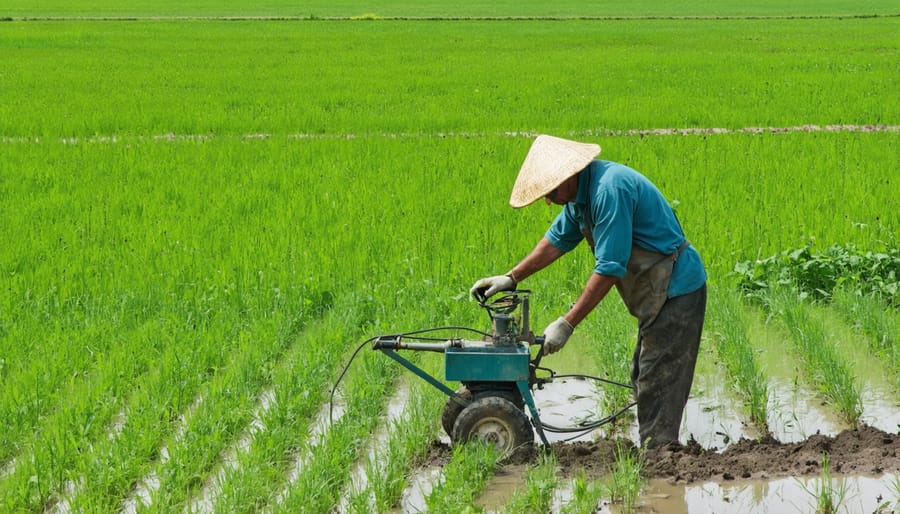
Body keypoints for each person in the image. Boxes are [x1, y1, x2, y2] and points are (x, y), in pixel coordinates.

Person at [470, 134, 707, 448]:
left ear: (569, 176)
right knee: (644, 375)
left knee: (658, 379)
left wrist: (567, 323)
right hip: (656, 291)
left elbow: (610, 267)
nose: (549, 200)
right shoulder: (579, 199)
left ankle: (661, 460)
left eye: (551, 191)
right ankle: (655, 448)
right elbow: (556, 242)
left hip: (677, 289)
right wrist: (511, 277)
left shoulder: (610, 190)